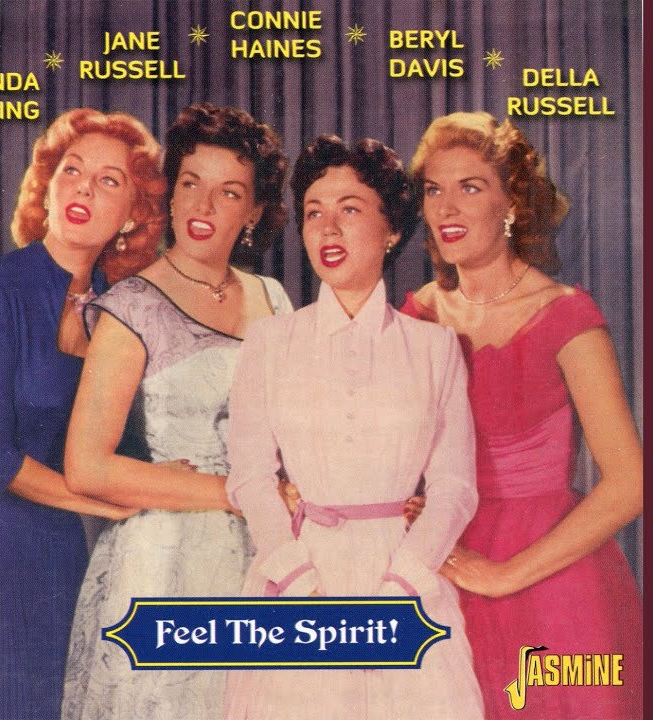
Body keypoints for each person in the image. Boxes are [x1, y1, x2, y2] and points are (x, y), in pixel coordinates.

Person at [224, 135, 485, 719]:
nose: (328, 229)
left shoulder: (435, 348)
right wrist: (297, 580)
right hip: (296, 580)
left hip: (404, 580)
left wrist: (401, 589)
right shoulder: (270, 341)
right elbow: (249, 477)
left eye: (350, 209)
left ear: (391, 228)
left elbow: (455, 488)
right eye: (314, 213)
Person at [0, 108, 167, 720]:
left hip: (54, 547)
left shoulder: (119, 312)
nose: (83, 188)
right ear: (47, 186)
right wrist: (100, 503)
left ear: (132, 214)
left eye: (109, 181)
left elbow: (120, 444)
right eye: (71, 171)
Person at [402, 111, 644, 718]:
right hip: (439, 564)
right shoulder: (415, 316)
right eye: (433, 189)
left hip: (551, 580)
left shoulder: (565, 315)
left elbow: (630, 483)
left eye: (470, 187)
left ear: (512, 203)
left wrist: (503, 575)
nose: (446, 208)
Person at [59, 103, 293, 720]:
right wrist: (234, 492)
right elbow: (85, 466)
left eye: (229, 192)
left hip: (268, 556)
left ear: (254, 212)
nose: (203, 206)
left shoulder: (274, 299)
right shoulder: (132, 305)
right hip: (166, 561)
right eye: (191, 183)